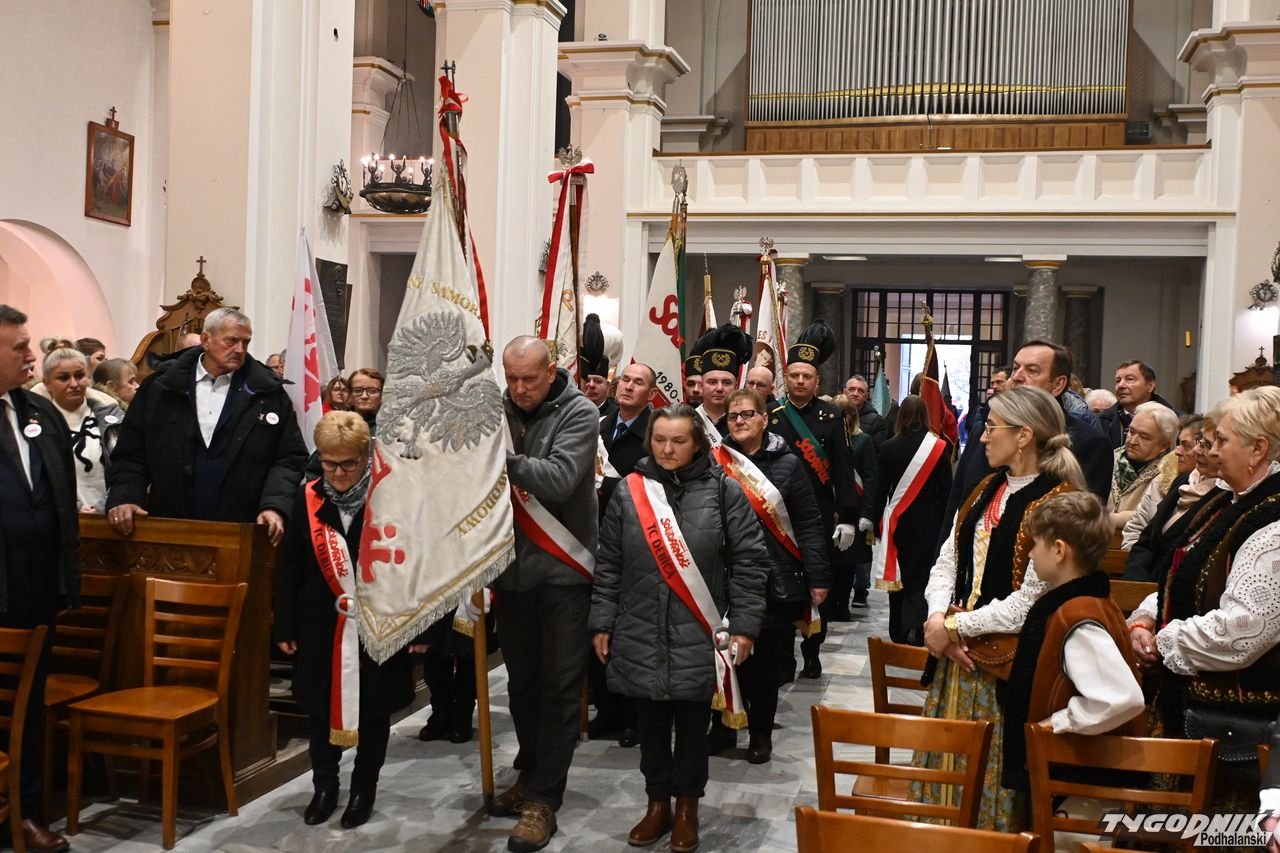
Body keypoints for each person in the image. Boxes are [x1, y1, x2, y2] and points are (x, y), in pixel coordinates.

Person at [590, 404, 769, 853]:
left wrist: (745, 627)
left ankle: (687, 805)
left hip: (700, 630)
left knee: (692, 727)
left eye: (678, 441)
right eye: (659, 440)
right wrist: (602, 619)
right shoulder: (630, 491)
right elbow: (609, 562)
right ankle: (657, 804)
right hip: (639, 626)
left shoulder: (725, 491)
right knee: (649, 725)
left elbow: (750, 562)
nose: (667, 449)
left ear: (698, 444)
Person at [918, 385, 1086, 831]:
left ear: (1024, 435)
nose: (983, 436)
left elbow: (1031, 601)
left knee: (990, 786)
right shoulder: (986, 487)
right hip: (958, 654)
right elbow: (948, 560)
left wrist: (954, 627)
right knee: (945, 777)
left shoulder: (1059, 501)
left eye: (992, 427)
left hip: (1009, 664)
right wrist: (937, 618)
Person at [274, 412, 424, 829]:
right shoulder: (306, 499)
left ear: (366, 457)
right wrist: (285, 624)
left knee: (374, 711)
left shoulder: (392, 498)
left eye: (348, 464)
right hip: (320, 625)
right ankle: (324, 787)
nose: (338, 473)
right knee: (320, 709)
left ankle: (363, 790)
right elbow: (290, 568)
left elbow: (416, 566)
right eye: (329, 463)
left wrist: (421, 626)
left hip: (380, 623)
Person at [1129, 387, 1280, 801]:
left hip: (1240, 728)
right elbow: (1181, 578)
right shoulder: (1227, 502)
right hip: (1193, 707)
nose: (1210, 450)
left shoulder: (1272, 522)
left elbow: (1243, 631)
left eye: (1222, 441)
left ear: (1258, 449)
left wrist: (1163, 640)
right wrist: (1146, 618)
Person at [493, 336, 599, 852]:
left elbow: (558, 480)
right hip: (511, 573)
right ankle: (531, 772)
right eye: (511, 378)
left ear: (551, 371)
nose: (519, 389)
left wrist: (495, 459)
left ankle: (543, 800)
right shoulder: (498, 410)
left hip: (563, 573)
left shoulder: (580, 412)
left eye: (529, 379)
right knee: (522, 686)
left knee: (559, 691)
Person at [105, 307, 308, 546]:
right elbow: (131, 452)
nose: (240, 349)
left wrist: (274, 505)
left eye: (246, 342)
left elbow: (288, 458)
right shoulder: (161, 388)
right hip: (170, 524)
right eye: (232, 341)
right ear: (206, 339)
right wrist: (126, 496)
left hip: (242, 529)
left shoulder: (268, 393)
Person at [999, 491, 1145, 794]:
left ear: (1058, 550)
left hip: (1082, 783)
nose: (1030, 555)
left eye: (1035, 545)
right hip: (1072, 776)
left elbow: (1122, 698)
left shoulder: (1078, 616)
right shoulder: (1083, 603)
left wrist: (1057, 722)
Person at [0, 305, 81, 852]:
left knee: (26, 709)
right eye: (19, 347)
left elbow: (62, 500)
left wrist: (65, 581)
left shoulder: (38, 411)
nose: (31, 355)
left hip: (35, 590)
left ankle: (26, 813)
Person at [719, 389, 830, 763]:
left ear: (765, 419)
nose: (739, 421)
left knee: (763, 664)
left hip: (772, 577)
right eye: (733, 416)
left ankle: (760, 733)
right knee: (721, 654)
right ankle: (722, 728)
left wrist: (818, 576)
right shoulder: (717, 460)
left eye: (747, 414)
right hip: (723, 575)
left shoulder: (789, 464)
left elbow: (808, 523)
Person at [940, 340, 1112, 549]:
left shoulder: (1090, 444)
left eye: (1031, 371)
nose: (1017, 377)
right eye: (1015, 368)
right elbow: (955, 506)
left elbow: (1083, 533)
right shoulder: (983, 433)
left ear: (1058, 385)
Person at [769, 320, 859, 678]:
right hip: (777, 513)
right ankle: (783, 656)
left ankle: (812, 652)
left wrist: (848, 516)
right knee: (780, 585)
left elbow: (843, 469)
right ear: (786, 379)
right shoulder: (772, 415)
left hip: (817, 515)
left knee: (817, 584)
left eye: (806, 376)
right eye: (794, 375)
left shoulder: (831, 416)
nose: (800, 381)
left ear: (816, 381)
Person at [590, 362, 657, 746]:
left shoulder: (654, 433)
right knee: (600, 628)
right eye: (626, 380)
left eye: (638, 382)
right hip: (597, 540)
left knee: (632, 636)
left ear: (651, 393)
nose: (629, 387)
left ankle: (635, 717)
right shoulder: (598, 427)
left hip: (638, 541)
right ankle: (607, 710)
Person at [872, 396, 952, 645]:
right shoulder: (939, 447)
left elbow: (880, 489)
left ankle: (897, 630)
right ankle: (916, 627)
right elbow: (947, 491)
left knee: (898, 577)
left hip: (899, 522)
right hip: (930, 523)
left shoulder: (888, 447)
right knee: (922, 577)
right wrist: (946, 527)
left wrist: (874, 522)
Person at [1123, 419, 1225, 584]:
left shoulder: (1225, 497)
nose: (1197, 449)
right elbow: (1147, 540)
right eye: (1199, 441)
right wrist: (1136, 581)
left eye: (1206, 445)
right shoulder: (1183, 481)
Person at [36, 346, 124, 513]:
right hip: (59, 517)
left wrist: (103, 507)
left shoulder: (114, 418)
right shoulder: (37, 426)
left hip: (113, 514)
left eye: (79, 375)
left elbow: (127, 467)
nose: (74, 384)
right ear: (47, 383)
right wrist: (75, 508)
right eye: (63, 378)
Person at [1119, 415, 1202, 549]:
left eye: (1186, 446)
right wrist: (1138, 559)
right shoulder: (1161, 481)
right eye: (1179, 444)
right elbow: (1135, 529)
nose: (1178, 452)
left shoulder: (1215, 491)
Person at [832, 393, 880, 615]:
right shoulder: (825, 438)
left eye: (846, 414)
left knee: (848, 560)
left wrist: (868, 513)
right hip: (831, 507)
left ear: (853, 415)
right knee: (831, 560)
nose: (842, 418)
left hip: (855, 508)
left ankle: (843, 604)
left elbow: (870, 479)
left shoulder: (863, 440)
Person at [1107, 400, 1177, 529]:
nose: (1133, 441)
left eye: (1144, 437)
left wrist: (1112, 519)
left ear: (1164, 445)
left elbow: (1155, 515)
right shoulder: (1108, 458)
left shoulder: (1170, 474)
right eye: (1131, 431)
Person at [1098, 360, 1178, 449]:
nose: (1121, 385)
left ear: (1150, 386)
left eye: (1130, 379)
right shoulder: (1101, 421)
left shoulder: (1177, 422)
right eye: (1118, 380)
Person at [690, 324, 751, 437]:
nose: (719, 388)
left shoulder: (748, 424)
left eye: (726, 382)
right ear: (702, 385)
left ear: (736, 386)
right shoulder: (687, 422)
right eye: (712, 382)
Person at [579, 313, 618, 421]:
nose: (591, 385)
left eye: (598, 381)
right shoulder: (568, 412)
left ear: (608, 386)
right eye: (587, 380)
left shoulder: (617, 416)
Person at [844, 374, 893, 446]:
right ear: (844, 392)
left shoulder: (876, 421)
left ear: (866, 396)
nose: (855, 394)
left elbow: (877, 450)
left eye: (860, 391)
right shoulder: (835, 414)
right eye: (851, 389)